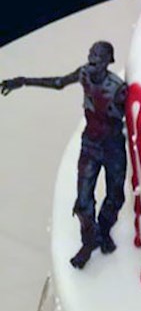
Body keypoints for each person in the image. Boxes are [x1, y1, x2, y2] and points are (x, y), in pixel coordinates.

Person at [1, 40, 128, 268]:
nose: (93, 59)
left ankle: (104, 230)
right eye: (91, 54)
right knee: (83, 201)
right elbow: (58, 83)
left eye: (98, 56)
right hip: (90, 145)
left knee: (115, 196)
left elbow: (135, 116)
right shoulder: (83, 74)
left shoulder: (119, 89)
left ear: (109, 61)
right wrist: (23, 81)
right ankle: (89, 241)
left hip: (113, 148)